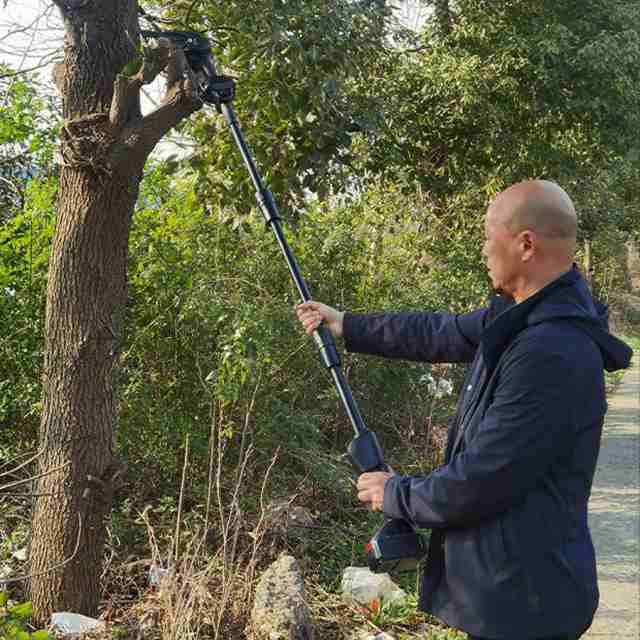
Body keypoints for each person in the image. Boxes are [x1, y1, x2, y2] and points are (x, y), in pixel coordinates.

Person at [296, 180, 632, 640]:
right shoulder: (519, 317)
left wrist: (396, 493)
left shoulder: (551, 351)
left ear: (525, 244)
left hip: (525, 603)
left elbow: (485, 477)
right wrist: (347, 324)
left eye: (487, 235)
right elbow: (440, 332)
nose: (482, 249)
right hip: (509, 590)